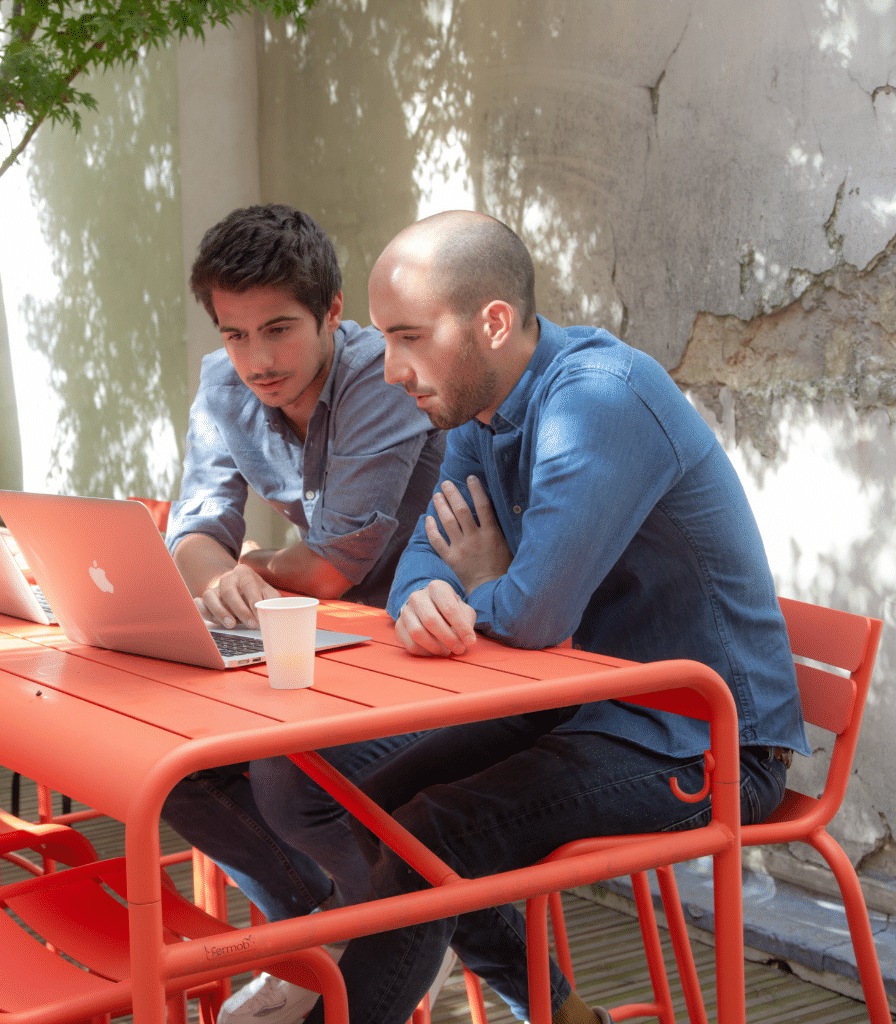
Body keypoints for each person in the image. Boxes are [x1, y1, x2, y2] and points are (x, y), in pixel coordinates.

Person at [258, 210, 810, 1024]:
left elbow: (533, 614)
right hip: (588, 702)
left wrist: (492, 584)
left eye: (408, 337)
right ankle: (559, 1013)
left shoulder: (599, 399)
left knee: (436, 834)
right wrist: (430, 595)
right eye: (383, 339)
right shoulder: (481, 408)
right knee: (372, 809)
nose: (390, 370)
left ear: (493, 322)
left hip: (706, 738)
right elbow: (428, 558)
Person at [160, 204, 447, 1024]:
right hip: (325, 648)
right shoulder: (226, 385)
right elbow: (194, 529)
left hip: (426, 641)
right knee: (180, 765)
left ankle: (380, 927)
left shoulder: (380, 378)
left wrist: (244, 569)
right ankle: (320, 931)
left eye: (278, 329)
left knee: (288, 779)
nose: (257, 359)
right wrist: (220, 574)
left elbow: (336, 561)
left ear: (332, 311)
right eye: (234, 334)